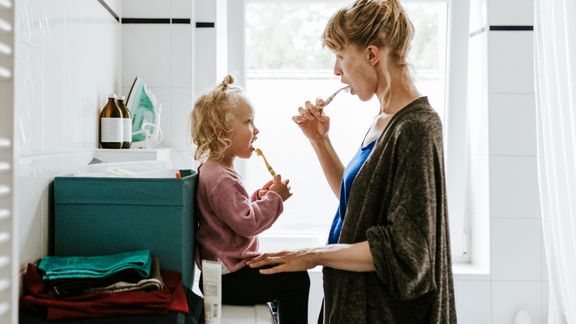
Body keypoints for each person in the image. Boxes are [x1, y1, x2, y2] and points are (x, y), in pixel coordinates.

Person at [246, 0, 457, 323]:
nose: (336, 71)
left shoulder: (416, 129)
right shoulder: (384, 120)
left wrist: (313, 255)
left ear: (372, 55)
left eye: (341, 57)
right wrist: (319, 141)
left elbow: (409, 251)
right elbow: (357, 204)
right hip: (353, 303)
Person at [191, 74, 310, 324]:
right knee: (296, 278)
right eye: (248, 122)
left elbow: (231, 214)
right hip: (227, 279)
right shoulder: (221, 177)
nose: (256, 130)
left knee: (285, 268)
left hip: (223, 275)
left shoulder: (214, 170)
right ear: (220, 131)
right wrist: (275, 199)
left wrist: (259, 197)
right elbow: (247, 223)